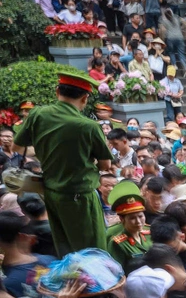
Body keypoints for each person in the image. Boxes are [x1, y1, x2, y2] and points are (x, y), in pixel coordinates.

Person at [14, 72, 113, 255]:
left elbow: (17, 146)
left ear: (57, 91)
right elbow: (105, 165)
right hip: (80, 197)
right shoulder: (89, 126)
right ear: (84, 98)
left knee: (65, 248)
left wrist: (50, 155)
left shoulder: (37, 114)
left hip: (51, 193)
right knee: (93, 252)